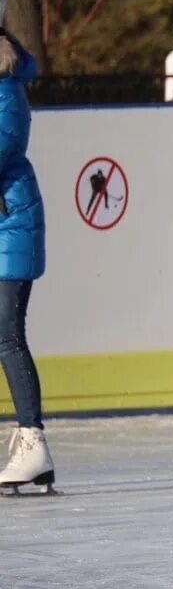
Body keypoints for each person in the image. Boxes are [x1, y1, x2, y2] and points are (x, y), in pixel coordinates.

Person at [0, 27, 52, 495]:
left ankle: (33, 441)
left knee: (8, 335)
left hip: (11, 227)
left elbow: (2, 148)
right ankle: (29, 441)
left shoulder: (5, 87)